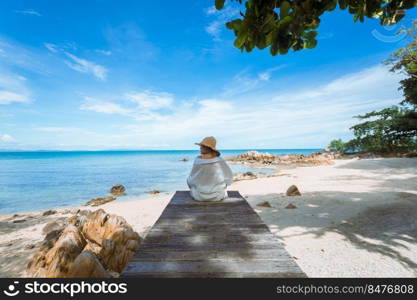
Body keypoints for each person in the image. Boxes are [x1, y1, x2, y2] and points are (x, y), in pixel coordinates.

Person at [187, 136, 233, 202]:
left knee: (189, 180)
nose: (200, 148)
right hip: (218, 195)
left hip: (199, 196)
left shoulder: (197, 161)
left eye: (202, 146)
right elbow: (228, 177)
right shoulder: (220, 160)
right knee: (223, 185)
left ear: (207, 148)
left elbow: (192, 179)